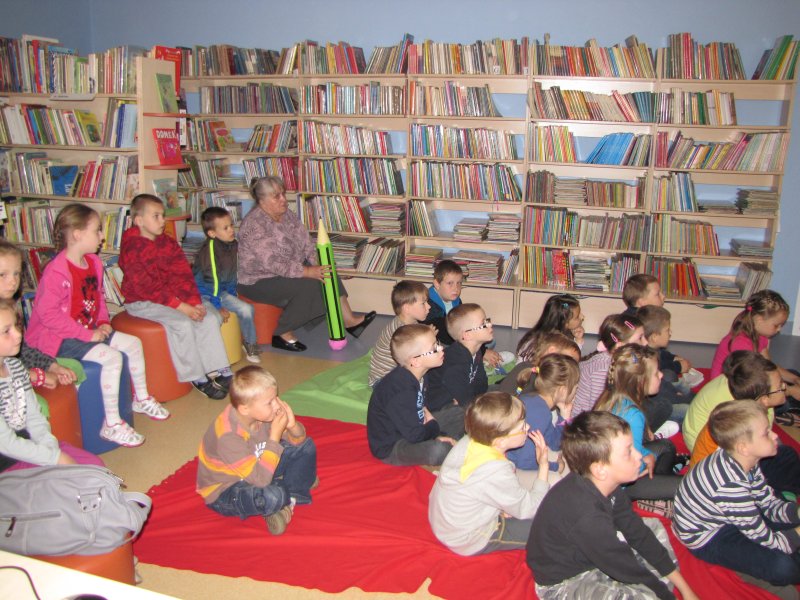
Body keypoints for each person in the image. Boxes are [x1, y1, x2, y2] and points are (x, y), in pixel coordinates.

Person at [26, 204, 169, 447]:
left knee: (133, 343)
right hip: (58, 338)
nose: (102, 236)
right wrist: (86, 335)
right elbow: (48, 315)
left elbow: (98, 297)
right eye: (97, 230)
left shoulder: (93, 262)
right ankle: (111, 424)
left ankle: (141, 398)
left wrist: (103, 322)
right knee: (112, 358)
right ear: (77, 234)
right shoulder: (56, 272)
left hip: (87, 330)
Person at [527, 411, 698, 600]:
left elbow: (636, 530)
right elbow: (624, 566)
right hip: (565, 582)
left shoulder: (607, 485)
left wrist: (685, 588)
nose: (639, 456)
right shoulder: (587, 516)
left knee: (653, 528)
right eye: (629, 452)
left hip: (594, 552)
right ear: (600, 469)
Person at [673, 401, 800, 597]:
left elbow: (767, 503)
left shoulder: (746, 461)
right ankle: (746, 569)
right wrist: (794, 536)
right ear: (743, 447)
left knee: (785, 524)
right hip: (709, 536)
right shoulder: (729, 484)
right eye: (766, 433)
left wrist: (795, 513)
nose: (775, 435)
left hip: (732, 514)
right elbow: (760, 535)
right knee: (784, 567)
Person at [237, 176, 374, 352]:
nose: (283, 199)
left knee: (326, 270)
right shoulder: (254, 225)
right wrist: (308, 271)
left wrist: (319, 263)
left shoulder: (287, 215)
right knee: (309, 285)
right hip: (258, 280)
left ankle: (349, 321)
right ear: (261, 200)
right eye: (276, 196)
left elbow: (307, 243)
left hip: (287, 270)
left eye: (283, 193)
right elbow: (273, 263)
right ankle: (281, 333)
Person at [119, 194, 232, 400]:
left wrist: (193, 302)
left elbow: (182, 275)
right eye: (156, 216)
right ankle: (196, 376)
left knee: (208, 317)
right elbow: (147, 288)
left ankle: (218, 369)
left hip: (172, 297)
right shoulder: (133, 247)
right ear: (139, 220)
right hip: (143, 301)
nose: (162, 220)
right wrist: (181, 307)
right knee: (182, 324)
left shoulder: (167, 242)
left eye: (163, 215)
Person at [197, 365, 317, 535]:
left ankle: (292, 495)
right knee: (272, 494)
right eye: (269, 402)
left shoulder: (261, 413)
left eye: (276, 398)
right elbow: (261, 480)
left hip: (257, 465)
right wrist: (274, 436)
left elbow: (299, 440)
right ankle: (291, 487)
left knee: (306, 447)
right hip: (227, 489)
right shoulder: (228, 436)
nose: (276, 405)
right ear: (245, 408)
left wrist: (292, 425)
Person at [428, 391, 551, 555]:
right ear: (501, 440)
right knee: (547, 528)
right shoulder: (495, 470)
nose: (528, 427)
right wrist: (543, 466)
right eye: (522, 427)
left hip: (444, 522)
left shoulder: (472, 439)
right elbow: (530, 508)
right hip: (465, 537)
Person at [0, 298, 102, 472]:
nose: (18, 334)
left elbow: (34, 417)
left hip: (31, 446)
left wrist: (51, 449)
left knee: (96, 467)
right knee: (74, 480)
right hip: (7, 463)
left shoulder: (15, 366)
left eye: (16, 326)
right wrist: (54, 458)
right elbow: (7, 444)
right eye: (6, 331)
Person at [687, 353, 800, 497]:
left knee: (786, 454)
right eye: (781, 386)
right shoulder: (740, 424)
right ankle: (781, 498)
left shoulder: (751, 405)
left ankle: (783, 496)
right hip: (719, 481)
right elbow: (731, 470)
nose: (785, 387)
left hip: (739, 462)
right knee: (780, 456)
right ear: (764, 399)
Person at [594, 344, 681, 501]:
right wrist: (645, 461)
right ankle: (657, 491)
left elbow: (632, 450)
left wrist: (648, 455)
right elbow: (626, 466)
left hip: (617, 468)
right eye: (656, 373)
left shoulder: (610, 396)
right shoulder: (632, 415)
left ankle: (658, 485)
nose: (661, 375)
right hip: (620, 486)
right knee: (686, 486)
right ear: (641, 381)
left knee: (666, 446)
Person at [367, 324, 461, 466]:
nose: (441, 348)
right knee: (438, 451)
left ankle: (448, 441)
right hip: (395, 445)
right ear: (416, 361)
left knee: (460, 413)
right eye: (434, 348)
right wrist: (434, 429)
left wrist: (434, 426)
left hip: (415, 425)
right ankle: (448, 442)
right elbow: (414, 435)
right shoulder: (400, 390)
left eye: (437, 343)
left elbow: (423, 407)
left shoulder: (420, 374)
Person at [0, 240, 79, 390]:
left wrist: (51, 366)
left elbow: (23, 350)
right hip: (8, 389)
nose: (13, 281)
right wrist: (37, 376)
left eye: (16, 273)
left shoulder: (8, 307)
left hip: (15, 373)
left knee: (72, 370)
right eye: (2, 274)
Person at [710, 290, 800, 410]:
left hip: (751, 378)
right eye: (776, 325)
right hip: (732, 392)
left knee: (794, 373)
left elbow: (769, 366)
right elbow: (757, 381)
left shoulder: (760, 333)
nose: (779, 330)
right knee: (784, 403)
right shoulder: (741, 343)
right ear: (759, 320)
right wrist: (790, 391)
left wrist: (794, 379)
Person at [193, 206, 260, 363]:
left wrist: (232, 294)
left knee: (247, 309)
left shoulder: (232, 244)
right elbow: (212, 281)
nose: (231, 230)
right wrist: (217, 305)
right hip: (204, 294)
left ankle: (250, 344)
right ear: (212, 233)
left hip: (221, 292)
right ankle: (211, 357)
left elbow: (231, 274)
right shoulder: (210, 250)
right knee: (215, 318)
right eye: (225, 228)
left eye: (231, 225)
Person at [507, 353, 579, 482]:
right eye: (575, 387)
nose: (576, 392)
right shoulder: (539, 413)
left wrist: (564, 417)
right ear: (563, 390)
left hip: (516, 462)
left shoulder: (537, 402)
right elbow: (525, 461)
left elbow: (555, 443)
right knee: (560, 478)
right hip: (509, 468)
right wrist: (555, 467)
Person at [423, 259, 504, 367]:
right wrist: (482, 350)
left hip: (454, 337)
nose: (456, 288)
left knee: (489, 340)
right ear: (437, 284)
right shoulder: (430, 306)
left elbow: (465, 324)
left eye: (459, 283)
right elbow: (450, 336)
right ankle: (476, 358)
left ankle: (477, 354)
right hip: (439, 342)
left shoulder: (456, 300)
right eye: (450, 283)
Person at [571, 314, 646, 418]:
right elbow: (598, 409)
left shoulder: (613, 362)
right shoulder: (603, 369)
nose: (645, 342)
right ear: (620, 346)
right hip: (585, 422)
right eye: (640, 338)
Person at [427, 303, 492, 410]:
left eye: (487, 321)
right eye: (484, 323)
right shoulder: (455, 363)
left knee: (498, 393)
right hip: (439, 408)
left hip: (460, 397)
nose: (489, 325)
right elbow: (466, 402)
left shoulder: (476, 352)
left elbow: (482, 384)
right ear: (467, 335)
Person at [637, 305, 693, 422]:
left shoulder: (651, 349)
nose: (670, 333)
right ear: (654, 337)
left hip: (661, 393)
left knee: (681, 383)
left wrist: (673, 357)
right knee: (688, 410)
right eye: (667, 330)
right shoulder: (647, 360)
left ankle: (693, 398)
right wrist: (680, 398)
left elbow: (663, 355)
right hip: (653, 405)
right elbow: (662, 390)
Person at [368, 280, 430, 387]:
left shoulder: (411, 322)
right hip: (383, 380)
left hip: (397, 372)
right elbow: (411, 361)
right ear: (407, 308)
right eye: (423, 303)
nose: (429, 306)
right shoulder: (401, 332)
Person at [497, 331, 580, 397]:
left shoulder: (550, 376)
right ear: (552, 351)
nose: (572, 367)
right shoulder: (528, 371)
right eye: (570, 360)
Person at [516, 294, 585, 360]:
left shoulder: (544, 332)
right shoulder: (554, 343)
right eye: (577, 316)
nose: (582, 317)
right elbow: (570, 361)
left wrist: (577, 339)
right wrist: (578, 342)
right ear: (565, 323)